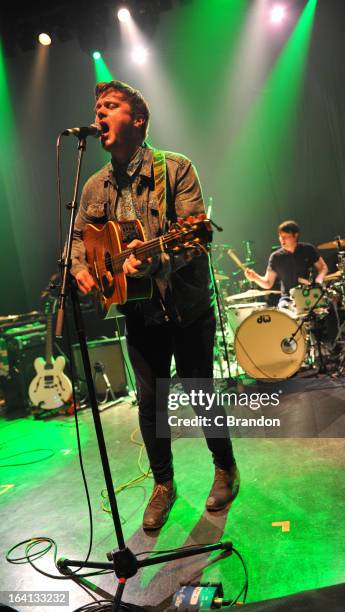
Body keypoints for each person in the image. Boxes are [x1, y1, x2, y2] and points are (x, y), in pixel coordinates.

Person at [71, 80, 239, 530]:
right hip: (138, 311)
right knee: (150, 402)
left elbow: (192, 235)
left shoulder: (176, 168)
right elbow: (77, 238)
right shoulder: (95, 185)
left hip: (185, 305)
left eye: (110, 106)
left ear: (138, 120)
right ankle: (164, 485)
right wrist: (82, 267)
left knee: (199, 391)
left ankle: (225, 467)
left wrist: (158, 258)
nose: (100, 113)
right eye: (97, 107)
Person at [245, 220, 328, 307]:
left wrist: (319, 280)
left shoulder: (308, 249)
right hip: (288, 298)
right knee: (283, 308)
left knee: (328, 307)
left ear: (295, 236)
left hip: (310, 292)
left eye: (285, 236)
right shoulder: (276, 257)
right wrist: (255, 277)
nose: (282, 240)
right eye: (280, 237)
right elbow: (268, 283)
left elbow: (323, 267)